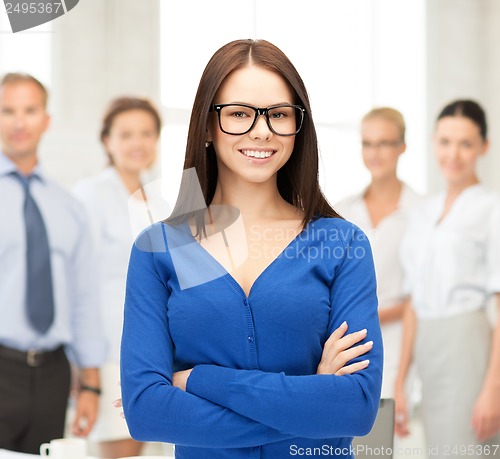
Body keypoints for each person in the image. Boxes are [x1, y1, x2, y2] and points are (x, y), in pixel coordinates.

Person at [120, 39, 383, 459]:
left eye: (279, 114)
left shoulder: (343, 244)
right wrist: (311, 404)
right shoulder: (159, 251)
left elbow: (355, 408)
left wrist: (198, 381)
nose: (261, 130)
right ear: (207, 125)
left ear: (299, 127)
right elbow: (146, 413)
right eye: (239, 114)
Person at [0, 73, 105, 454]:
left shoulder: (68, 208)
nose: (19, 121)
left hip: (53, 375)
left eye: (30, 110)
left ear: (46, 120)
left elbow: (83, 298)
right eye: (8, 110)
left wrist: (91, 384)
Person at [395, 100, 500, 456]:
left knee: (469, 450)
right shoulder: (422, 212)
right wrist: (401, 382)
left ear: (483, 147)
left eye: (466, 143)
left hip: (469, 347)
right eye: (445, 141)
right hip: (427, 347)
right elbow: (412, 302)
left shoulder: (491, 207)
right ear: (433, 142)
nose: (453, 153)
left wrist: (494, 388)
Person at [73, 96, 167, 458]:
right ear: (107, 141)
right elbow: (79, 284)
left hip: (158, 352)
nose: (137, 143)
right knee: (120, 449)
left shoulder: (160, 202)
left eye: (146, 133)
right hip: (111, 350)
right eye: (126, 134)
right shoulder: (89, 195)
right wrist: (84, 368)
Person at [336, 107, 422, 399]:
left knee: (387, 437)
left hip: (399, 342)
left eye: (384, 143)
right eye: (368, 143)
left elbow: (418, 295)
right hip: (347, 342)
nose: (375, 152)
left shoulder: (421, 212)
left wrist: (371, 313)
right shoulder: (341, 212)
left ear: (402, 147)